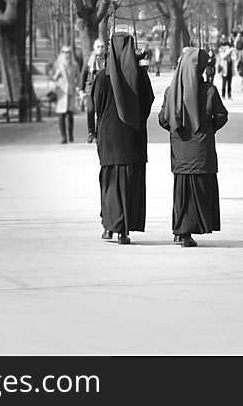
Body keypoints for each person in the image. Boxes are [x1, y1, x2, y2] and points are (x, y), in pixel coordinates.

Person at [159, 48, 228, 248]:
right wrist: (208, 129)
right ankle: (187, 233)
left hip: (180, 152)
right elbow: (222, 116)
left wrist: (176, 131)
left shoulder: (171, 92)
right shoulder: (209, 90)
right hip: (201, 151)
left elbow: (163, 119)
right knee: (198, 192)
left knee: (182, 192)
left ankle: (180, 229)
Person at [91, 33, 155, 244]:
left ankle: (109, 226)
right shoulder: (140, 76)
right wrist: (135, 119)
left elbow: (95, 106)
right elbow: (148, 103)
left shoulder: (102, 77)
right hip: (132, 139)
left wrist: (98, 127)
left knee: (110, 183)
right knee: (128, 184)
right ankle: (123, 230)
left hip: (109, 139)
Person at [51, 46, 81, 144]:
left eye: (68, 52)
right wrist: (57, 75)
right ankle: (63, 137)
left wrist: (77, 87)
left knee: (70, 115)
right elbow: (53, 78)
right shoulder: (58, 65)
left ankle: (71, 135)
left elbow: (78, 77)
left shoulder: (75, 65)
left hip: (71, 92)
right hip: (61, 93)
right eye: (64, 52)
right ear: (62, 53)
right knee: (61, 116)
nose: (66, 54)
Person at [81, 39, 106, 143]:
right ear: (94, 48)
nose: (100, 49)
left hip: (102, 89)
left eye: (102, 47)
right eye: (98, 47)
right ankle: (91, 132)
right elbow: (83, 74)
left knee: (101, 112)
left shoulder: (107, 59)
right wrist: (81, 90)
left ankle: (98, 133)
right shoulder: (89, 59)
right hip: (90, 89)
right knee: (90, 111)